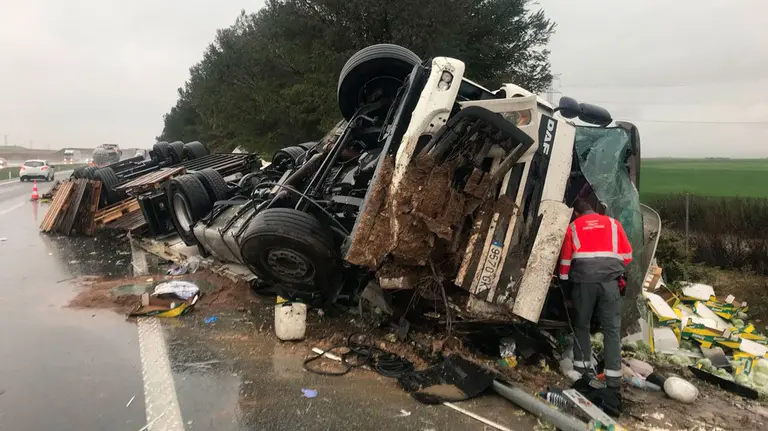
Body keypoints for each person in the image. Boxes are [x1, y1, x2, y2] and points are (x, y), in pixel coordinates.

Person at [558, 198, 633, 389]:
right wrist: (610, 270)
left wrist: (565, 288)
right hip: (610, 282)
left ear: (576, 213)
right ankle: (613, 378)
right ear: (594, 209)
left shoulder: (573, 227)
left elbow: (565, 263)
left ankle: (583, 371)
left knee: (581, 325)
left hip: (583, 283)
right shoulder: (614, 224)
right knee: (611, 329)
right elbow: (627, 256)